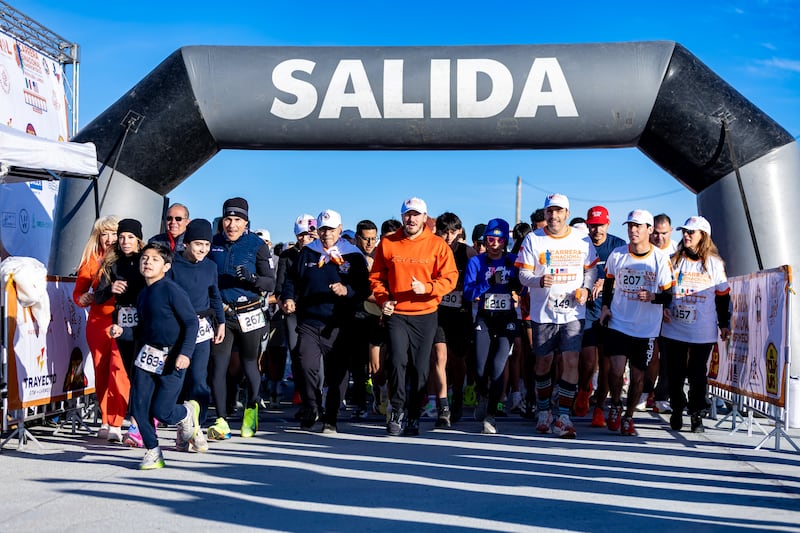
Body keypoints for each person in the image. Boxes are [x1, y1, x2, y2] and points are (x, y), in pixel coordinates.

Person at [370, 197, 459, 436]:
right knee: (397, 361)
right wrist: (383, 300)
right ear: (402, 217)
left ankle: (413, 415)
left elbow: (450, 278)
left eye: (416, 215)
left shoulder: (437, 244)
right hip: (397, 312)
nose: (411, 219)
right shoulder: (388, 243)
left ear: (424, 217)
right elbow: (376, 278)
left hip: (426, 313)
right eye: (407, 214)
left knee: (420, 368)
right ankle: (397, 410)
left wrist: (428, 288)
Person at [109, 243, 200, 470]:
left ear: (166, 266)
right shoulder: (142, 294)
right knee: (138, 408)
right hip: (146, 355)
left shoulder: (171, 290)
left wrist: (185, 353)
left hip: (172, 357)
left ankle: (187, 412)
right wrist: (123, 332)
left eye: (154, 259)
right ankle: (153, 451)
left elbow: (191, 322)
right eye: (145, 258)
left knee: (163, 411)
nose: (147, 262)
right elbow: (141, 329)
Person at [516, 193, 598, 439]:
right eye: (549, 211)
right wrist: (538, 280)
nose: (553, 216)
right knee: (543, 363)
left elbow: (591, 269)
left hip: (573, 311)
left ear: (566, 213)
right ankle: (544, 412)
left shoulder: (581, 239)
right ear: (545, 213)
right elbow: (523, 275)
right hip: (544, 312)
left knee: (571, 361)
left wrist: (585, 288)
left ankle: (563, 416)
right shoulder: (534, 239)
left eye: (558, 211)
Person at [281, 209, 370, 432]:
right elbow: (291, 280)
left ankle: (330, 416)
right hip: (310, 320)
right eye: (322, 229)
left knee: (338, 373)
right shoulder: (308, 253)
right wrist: (289, 297)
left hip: (339, 323)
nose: (326, 234)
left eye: (331, 229)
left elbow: (364, 288)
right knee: (304, 362)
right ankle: (312, 405)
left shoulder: (353, 255)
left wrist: (346, 290)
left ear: (340, 229)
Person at [599, 209, 675, 436]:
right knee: (615, 369)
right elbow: (608, 285)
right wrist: (605, 307)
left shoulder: (660, 258)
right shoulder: (618, 254)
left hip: (645, 327)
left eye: (638, 226)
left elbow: (669, 295)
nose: (633, 230)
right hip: (619, 321)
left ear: (649, 230)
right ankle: (615, 404)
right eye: (630, 226)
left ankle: (629, 416)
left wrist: (654, 297)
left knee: (638, 375)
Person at [207, 197, 276, 439]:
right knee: (219, 367)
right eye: (228, 219)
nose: (232, 225)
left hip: (250, 312)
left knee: (249, 364)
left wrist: (251, 278)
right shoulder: (213, 243)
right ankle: (221, 419)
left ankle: (250, 409)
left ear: (246, 222)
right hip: (223, 314)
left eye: (237, 220)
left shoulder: (256, 244)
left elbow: (271, 281)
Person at [661, 216, 730, 433]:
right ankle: (677, 407)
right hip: (675, 325)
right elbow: (663, 290)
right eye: (685, 231)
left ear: (703, 236)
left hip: (702, 327)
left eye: (692, 232)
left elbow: (722, 296)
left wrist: (724, 323)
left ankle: (696, 413)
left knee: (698, 372)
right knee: (675, 371)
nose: (686, 235)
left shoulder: (714, 264)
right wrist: (662, 306)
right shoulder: (673, 260)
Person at [167, 218, 226, 452]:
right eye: (198, 244)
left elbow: (215, 295)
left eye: (207, 245)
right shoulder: (172, 265)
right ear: (186, 243)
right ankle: (183, 428)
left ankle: (197, 428)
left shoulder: (210, 266)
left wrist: (220, 322)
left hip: (202, 328)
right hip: (179, 327)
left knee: (199, 380)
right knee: (177, 379)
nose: (202, 249)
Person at [72, 215, 129, 443]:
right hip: (97, 323)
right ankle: (105, 419)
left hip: (122, 322)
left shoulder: (126, 259)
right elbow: (78, 294)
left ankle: (116, 421)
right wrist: (82, 298)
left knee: (119, 372)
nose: (109, 238)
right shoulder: (90, 260)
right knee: (101, 372)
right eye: (104, 233)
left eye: (113, 233)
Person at [463, 218, 521, 434]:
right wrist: (489, 282)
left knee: (498, 367)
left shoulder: (513, 261)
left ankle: (490, 415)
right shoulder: (476, 263)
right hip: (485, 319)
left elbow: (525, 286)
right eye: (489, 239)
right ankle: (483, 395)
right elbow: (468, 293)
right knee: (479, 368)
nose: (494, 244)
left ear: (505, 241)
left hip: (506, 319)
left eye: (498, 239)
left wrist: (517, 287)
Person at [93, 218, 147, 446]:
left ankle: (138, 424)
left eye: (130, 237)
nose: (125, 241)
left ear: (138, 240)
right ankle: (130, 422)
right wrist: (110, 289)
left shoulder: (146, 259)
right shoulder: (111, 262)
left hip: (145, 323)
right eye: (122, 237)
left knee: (142, 374)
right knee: (126, 373)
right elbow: (97, 296)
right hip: (123, 323)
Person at [581, 206, 626, 427]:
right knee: (588, 361)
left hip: (611, 311)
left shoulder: (618, 247)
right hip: (588, 311)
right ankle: (583, 388)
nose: (596, 230)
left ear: (608, 224)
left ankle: (599, 407)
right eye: (593, 225)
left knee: (607, 363)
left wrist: (606, 282)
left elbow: (625, 276)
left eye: (600, 225)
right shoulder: (581, 245)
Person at [431, 212, 477, 426]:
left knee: (458, 360)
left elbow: (480, 276)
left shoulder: (468, 252)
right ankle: (443, 406)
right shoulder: (432, 251)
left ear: (459, 232)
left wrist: (465, 287)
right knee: (440, 357)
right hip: (439, 312)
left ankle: (457, 395)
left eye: (452, 232)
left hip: (461, 313)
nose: (448, 237)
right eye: (443, 232)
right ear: (437, 232)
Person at [350, 219, 381, 418]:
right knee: (358, 361)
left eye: (373, 238)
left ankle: (380, 398)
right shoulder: (350, 258)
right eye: (366, 239)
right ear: (356, 238)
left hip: (378, 314)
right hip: (356, 313)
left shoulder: (381, 256)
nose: (370, 243)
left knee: (378, 361)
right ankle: (360, 402)